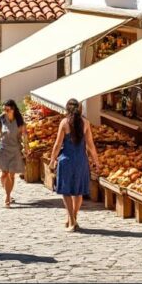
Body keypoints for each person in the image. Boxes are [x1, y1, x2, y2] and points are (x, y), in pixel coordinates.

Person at [48, 98, 101, 232]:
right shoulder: (86, 123)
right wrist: (96, 162)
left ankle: (71, 220)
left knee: (66, 191)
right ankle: (73, 217)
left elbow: (58, 144)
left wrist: (52, 160)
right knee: (78, 192)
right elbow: (90, 145)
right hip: (81, 160)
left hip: (66, 160)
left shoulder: (64, 123)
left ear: (67, 110)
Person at [0, 99, 27, 208]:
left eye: (7, 110)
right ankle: (7, 191)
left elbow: (25, 135)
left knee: (11, 174)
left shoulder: (20, 120)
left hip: (15, 150)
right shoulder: (1, 119)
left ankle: (7, 196)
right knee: (3, 175)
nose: (4, 112)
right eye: (3, 109)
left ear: (13, 109)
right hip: (3, 150)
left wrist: (27, 148)